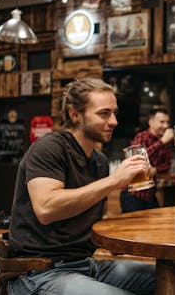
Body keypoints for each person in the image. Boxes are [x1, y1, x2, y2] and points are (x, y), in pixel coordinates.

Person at [8, 78, 155, 295]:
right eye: (104, 113)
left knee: (166, 277)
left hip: (86, 264)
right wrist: (115, 180)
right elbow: (46, 209)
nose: (114, 121)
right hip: (38, 272)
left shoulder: (99, 160)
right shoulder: (50, 148)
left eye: (114, 113)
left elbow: (90, 219)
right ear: (75, 114)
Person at [120, 107, 174, 212]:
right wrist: (162, 142)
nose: (166, 126)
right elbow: (136, 159)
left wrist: (155, 170)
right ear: (151, 122)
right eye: (162, 122)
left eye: (167, 122)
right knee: (132, 227)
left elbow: (167, 164)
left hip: (150, 193)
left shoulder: (166, 140)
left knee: (156, 225)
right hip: (133, 194)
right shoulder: (142, 137)